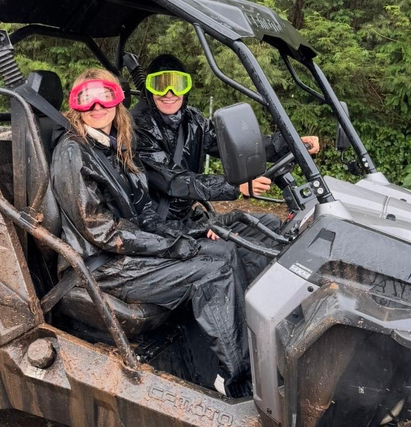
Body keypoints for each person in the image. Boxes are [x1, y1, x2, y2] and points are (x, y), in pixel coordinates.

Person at [51, 68, 250, 397]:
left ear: (119, 101)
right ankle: (237, 385)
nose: (98, 106)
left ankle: (235, 359)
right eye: (87, 99)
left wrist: (190, 234)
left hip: (127, 255)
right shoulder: (75, 151)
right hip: (103, 267)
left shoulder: (116, 147)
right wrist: (174, 247)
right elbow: (104, 234)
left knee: (224, 251)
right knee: (213, 271)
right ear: (76, 106)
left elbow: (144, 212)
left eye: (106, 96)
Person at [131, 54, 320, 280]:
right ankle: (240, 307)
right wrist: (236, 187)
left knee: (269, 224)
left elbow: (237, 146)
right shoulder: (138, 128)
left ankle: (259, 291)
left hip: (187, 218)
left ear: (186, 88)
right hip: (158, 226)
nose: (169, 94)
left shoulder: (193, 121)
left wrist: (290, 142)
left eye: (177, 84)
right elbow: (174, 181)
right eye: (160, 85)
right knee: (227, 250)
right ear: (149, 90)